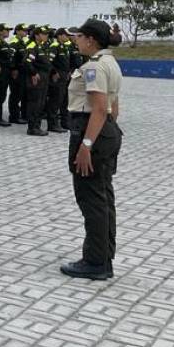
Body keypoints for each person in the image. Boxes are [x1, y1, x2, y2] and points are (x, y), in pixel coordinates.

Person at [60, 19, 123, 281]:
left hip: (90, 131)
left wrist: (87, 145)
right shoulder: (110, 63)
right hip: (105, 131)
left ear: (91, 40)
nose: (76, 40)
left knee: (91, 198)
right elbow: (113, 107)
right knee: (103, 197)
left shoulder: (94, 67)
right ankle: (104, 256)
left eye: (79, 36)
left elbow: (98, 108)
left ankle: (95, 262)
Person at [25, 26, 55, 136]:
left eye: (47, 34)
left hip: (44, 78)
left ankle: (37, 126)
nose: (46, 36)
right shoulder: (32, 46)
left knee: (41, 103)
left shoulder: (41, 46)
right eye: (43, 34)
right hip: (36, 78)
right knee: (35, 103)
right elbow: (27, 62)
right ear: (37, 35)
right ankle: (32, 128)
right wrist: (33, 73)